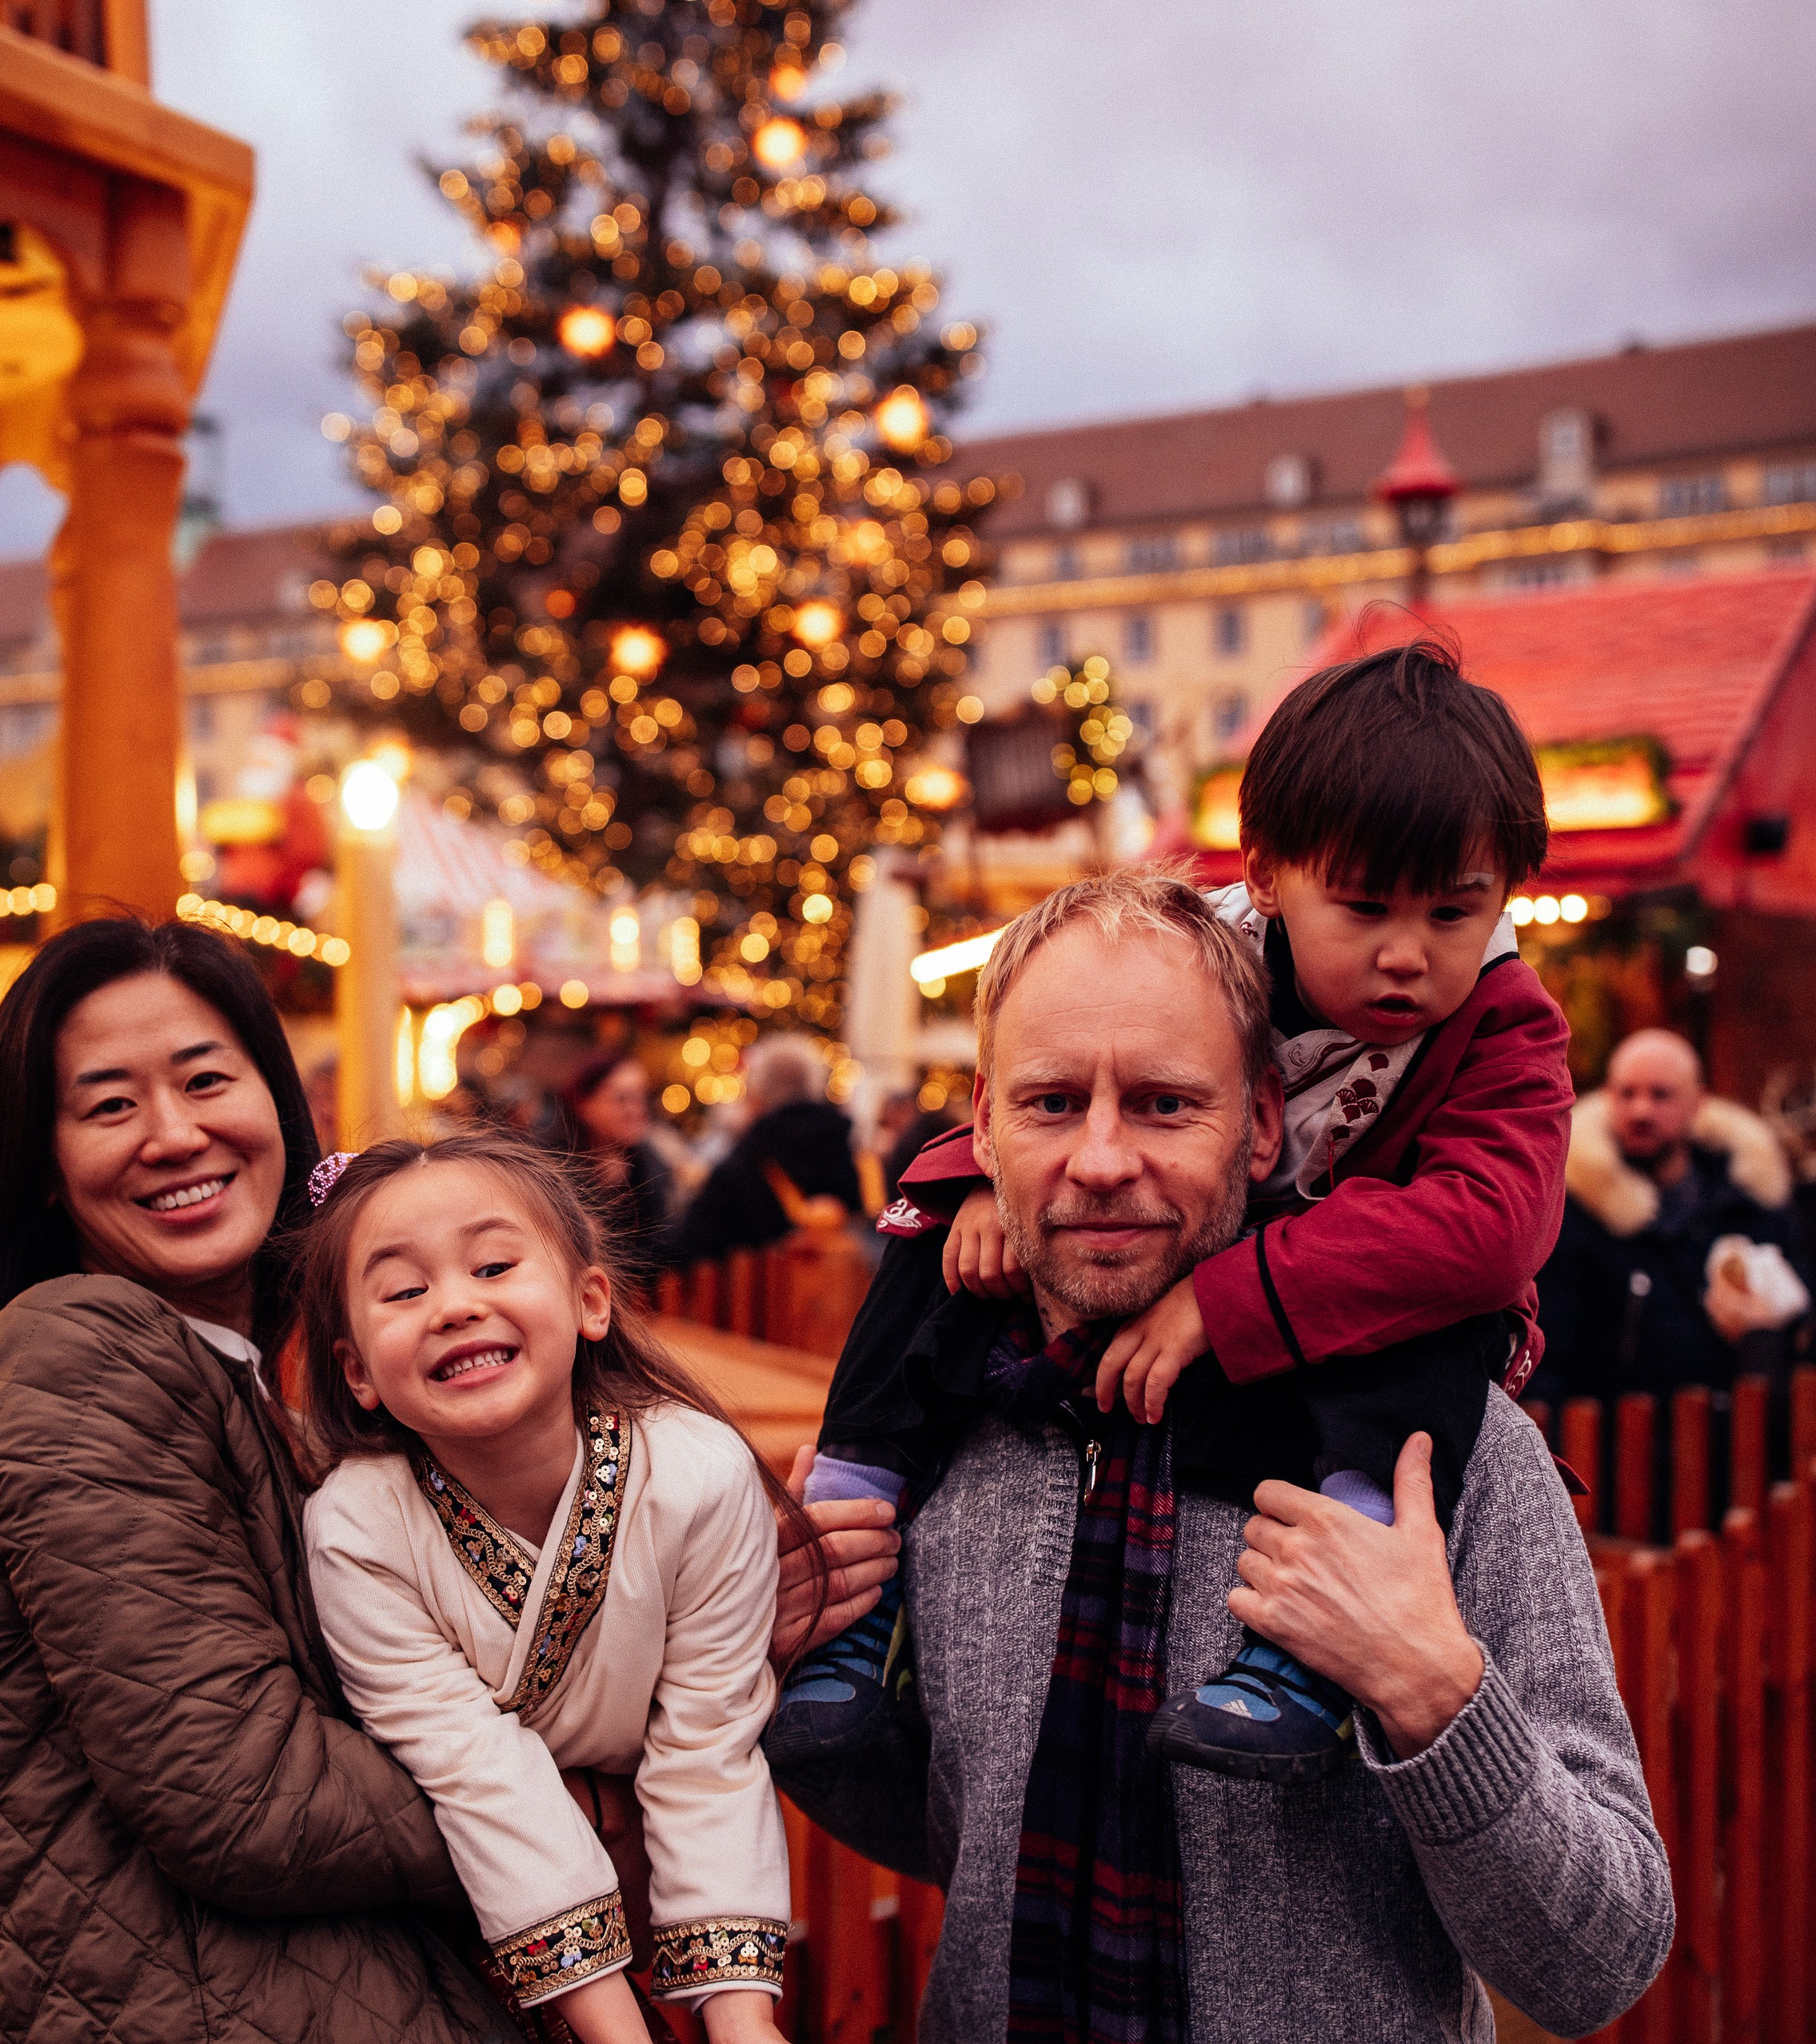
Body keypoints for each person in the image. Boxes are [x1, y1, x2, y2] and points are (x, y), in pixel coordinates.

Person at [770, 869, 1672, 2043]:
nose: (1099, 1159)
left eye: (1161, 1104)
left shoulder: (1439, 1459)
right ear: (980, 1122)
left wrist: (1433, 1695)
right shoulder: (948, 1432)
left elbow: (1602, 1961)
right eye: (1051, 1103)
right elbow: (959, 1838)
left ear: (1259, 1124)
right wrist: (796, 1674)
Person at [776, 640, 1574, 1783]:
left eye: (1457, 913)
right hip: (1241, 1282)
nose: (1409, 957)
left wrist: (1225, 1296)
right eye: (1364, 908)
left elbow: (1492, 1228)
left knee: (1447, 1315)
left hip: (1373, 1314)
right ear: (1271, 872)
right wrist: (975, 1180)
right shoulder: (1214, 953)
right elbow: (1065, 1061)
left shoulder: (1501, 1022)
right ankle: (853, 1548)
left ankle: (1318, 1630)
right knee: (921, 1234)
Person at [0, 918, 557, 2044]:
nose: (175, 1134)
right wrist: (579, 1796)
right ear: (44, 1169)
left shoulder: (270, 1400)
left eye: (207, 1080)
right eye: (110, 1105)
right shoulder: (74, 1352)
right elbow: (254, 1801)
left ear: (275, 1105)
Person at [296, 1129, 796, 2044]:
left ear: (590, 1299)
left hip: (645, 1851)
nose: (453, 1305)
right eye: (403, 1290)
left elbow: (707, 1745)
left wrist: (743, 2023)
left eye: (492, 1264)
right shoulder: (355, 1530)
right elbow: (477, 1771)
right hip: (442, 1926)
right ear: (358, 1371)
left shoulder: (699, 1473)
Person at [1538, 1028, 1810, 1402]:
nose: (1641, 1110)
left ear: (1698, 1102)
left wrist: (1764, 1333)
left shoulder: (1751, 1208)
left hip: (1744, 1442)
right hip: (1614, 1447)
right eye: (1627, 1093)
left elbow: (1804, 1327)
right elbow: (1548, 1355)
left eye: (1660, 1094)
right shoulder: (1576, 1216)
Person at [673, 1035, 862, 1264]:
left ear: (758, 1095)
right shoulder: (845, 1156)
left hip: (754, 1295)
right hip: (837, 1295)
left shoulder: (745, 1164)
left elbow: (688, 1248)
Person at [554, 1052, 679, 1279]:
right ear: (584, 1104)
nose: (637, 1110)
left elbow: (664, 1251)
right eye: (623, 1098)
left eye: (642, 1098)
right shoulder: (554, 1170)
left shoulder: (653, 1169)